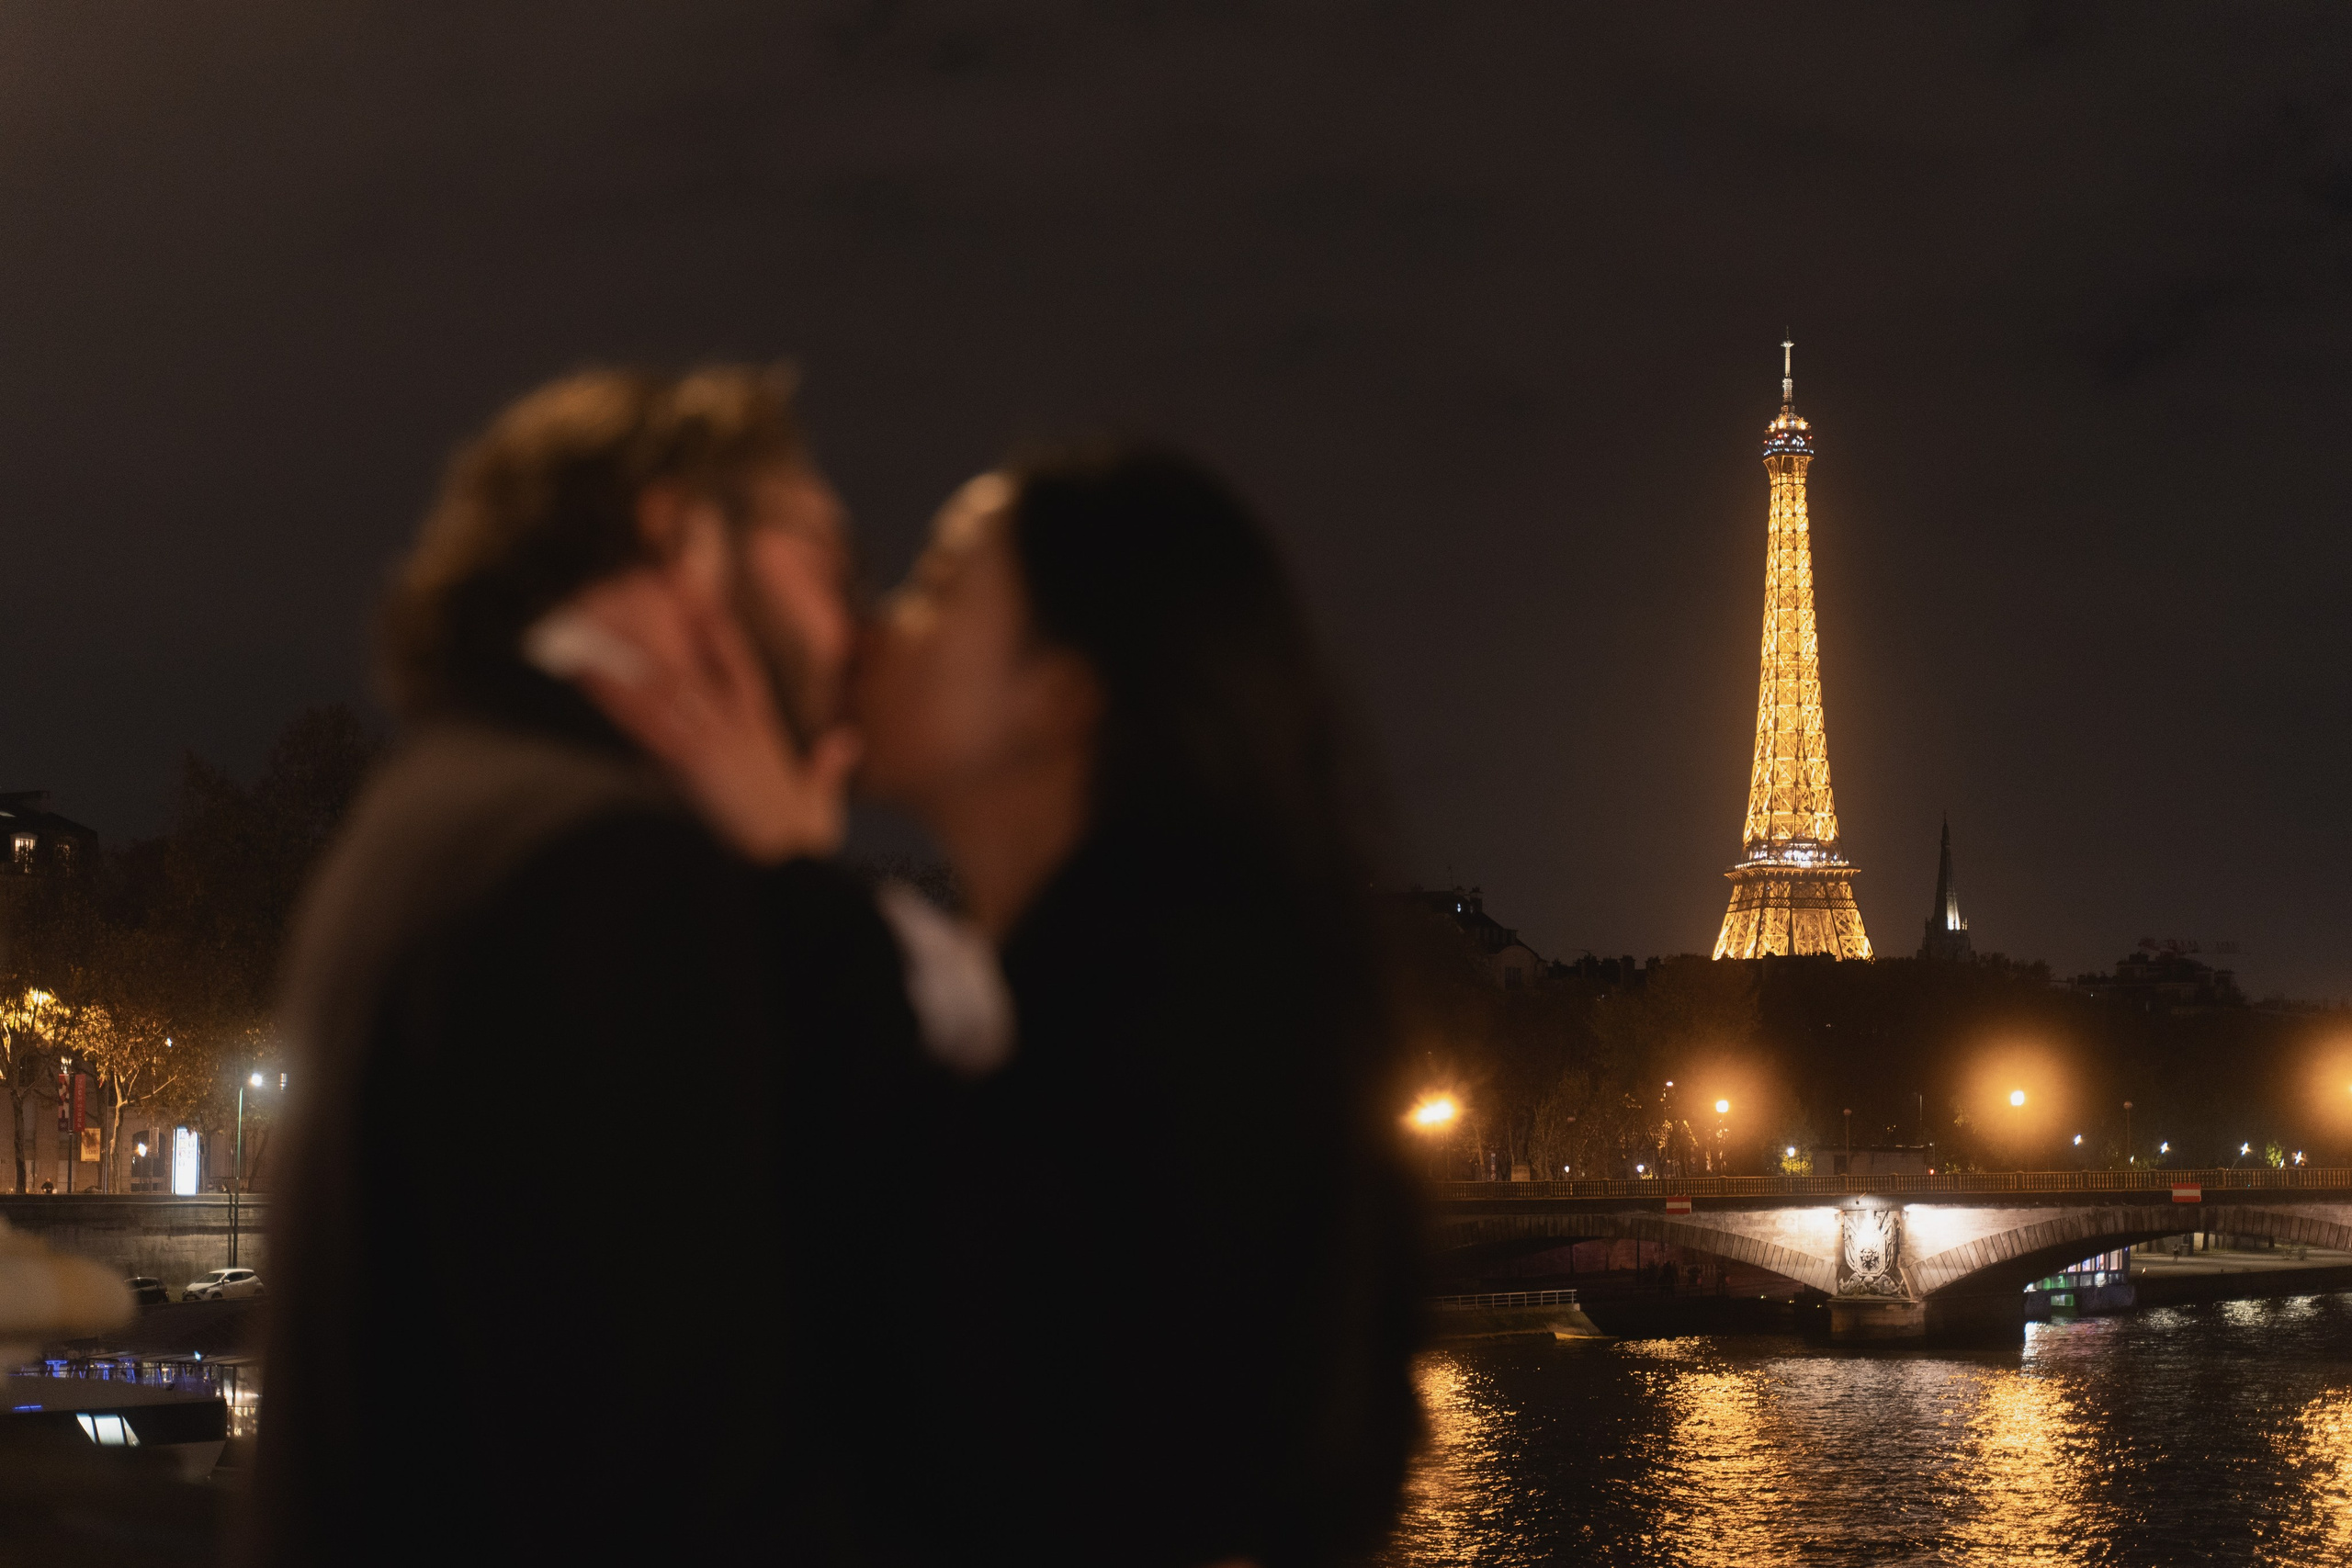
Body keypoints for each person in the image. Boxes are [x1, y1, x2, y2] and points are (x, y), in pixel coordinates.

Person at [578, 444, 1424, 1566]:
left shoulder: (1156, 1011)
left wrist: (789, 885)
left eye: (936, 590)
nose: (879, 625)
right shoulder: (1190, 979)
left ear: (1060, 694)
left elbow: (986, 1398)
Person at [251, 366, 917, 1565]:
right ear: (681, 533)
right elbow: (682, 1469)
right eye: (830, 560)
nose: (854, 630)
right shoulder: (612, 867)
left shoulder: (440, 810)